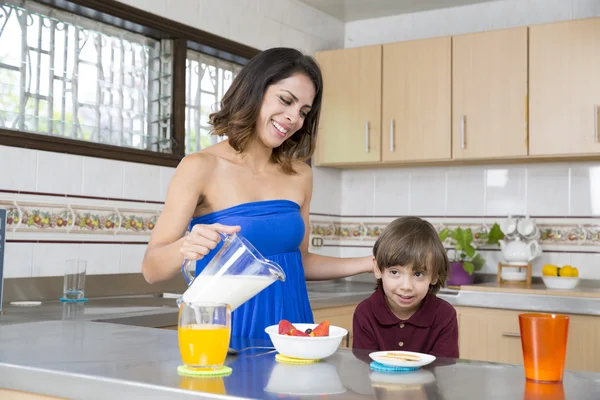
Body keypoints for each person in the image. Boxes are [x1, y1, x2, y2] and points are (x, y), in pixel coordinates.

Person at [141, 47, 373, 340]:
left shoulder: (300, 174)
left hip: (294, 332)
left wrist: (370, 263)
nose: (293, 118)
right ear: (254, 91)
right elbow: (151, 269)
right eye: (285, 100)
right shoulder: (199, 167)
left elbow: (299, 260)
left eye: (303, 111)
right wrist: (185, 245)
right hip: (227, 336)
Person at [352, 216, 459, 358]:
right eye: (395, 272)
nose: (406, 286)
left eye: (419, 274)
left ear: (434, 276)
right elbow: (363, 368)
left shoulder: (445, 315)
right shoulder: (365, 313)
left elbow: (444, 371)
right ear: (377, 269)